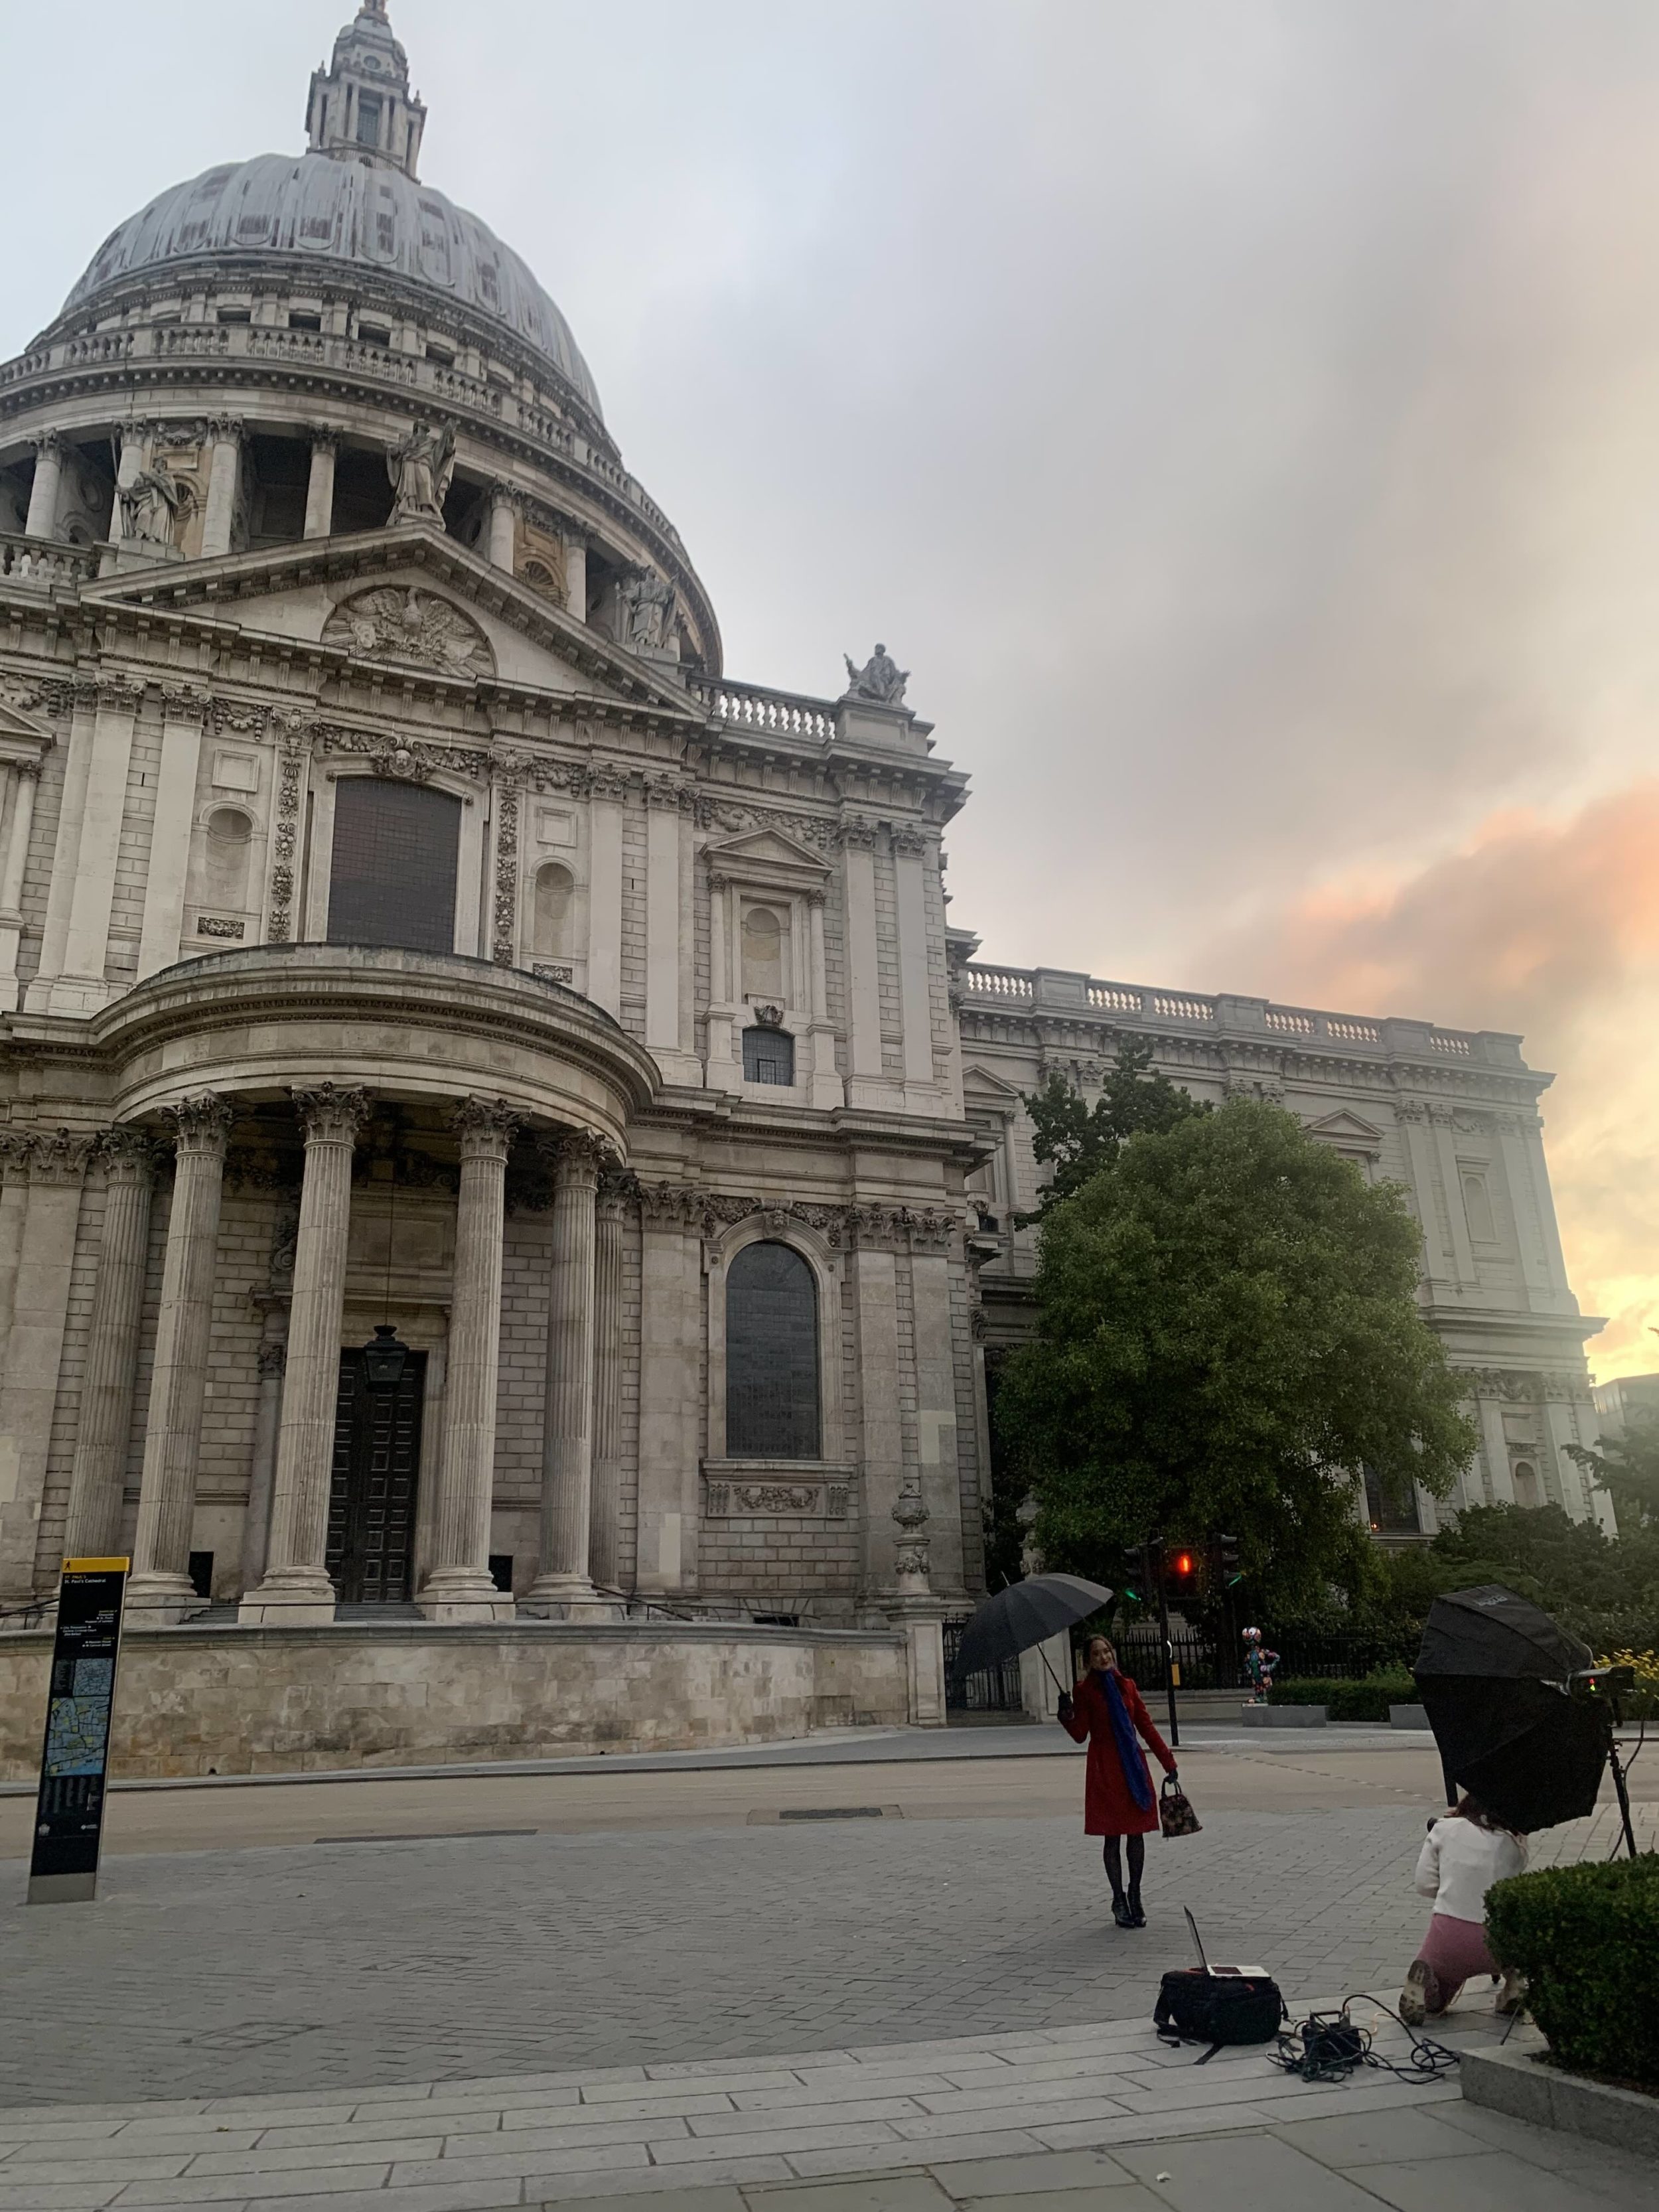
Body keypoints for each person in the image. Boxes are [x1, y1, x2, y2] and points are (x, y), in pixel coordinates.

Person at [1057, 1633, 1177, 1927]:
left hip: (1132, 1767)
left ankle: (1135, 1894)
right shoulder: (1085, 1691)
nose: (1104, 1657)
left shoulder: (1128, 1686)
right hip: (1105, 1768)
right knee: (1113, 1836)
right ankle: (1118, 1899)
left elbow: (1146, 1727)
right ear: (1088, 1661)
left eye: (1107, 1651)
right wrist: (1066, 1713)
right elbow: (1079, 1734)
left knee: (1136, 1834)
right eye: (1097, 1654)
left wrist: (1168, 1762)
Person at [1400, 1795, 1528, 2024]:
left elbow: (1424, 1885)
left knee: (1439, 1993)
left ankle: (1428, 1991)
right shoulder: (1514, 1842)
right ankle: (1514, 1985)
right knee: (1514, 1954)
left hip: (1450, 1933)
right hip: (1497, 1940)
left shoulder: (1443, 1829)